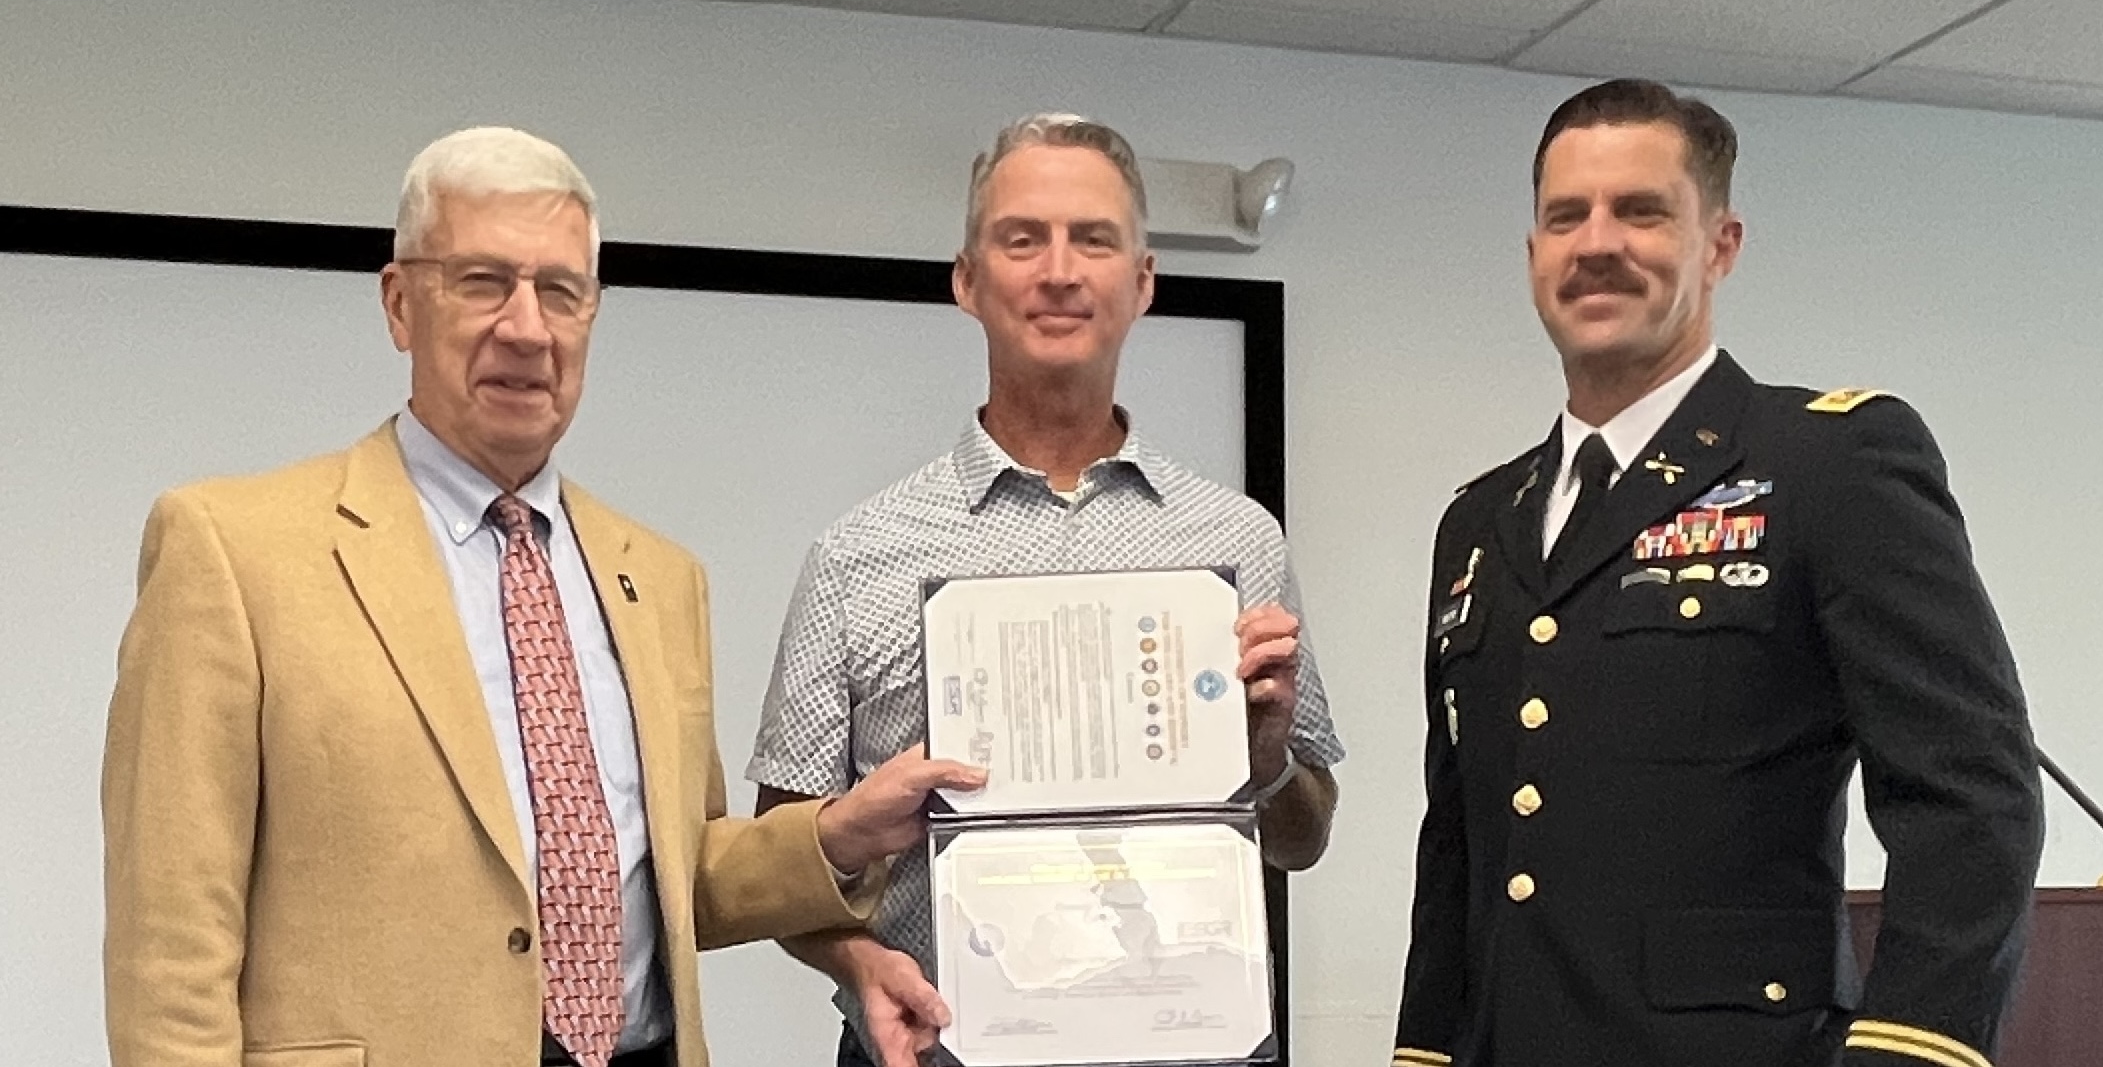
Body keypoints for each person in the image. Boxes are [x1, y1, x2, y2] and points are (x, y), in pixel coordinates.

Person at [100, 125, 984, 1067]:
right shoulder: (234, 550)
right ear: (401, 304)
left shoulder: (660, 576)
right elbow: (171, 943)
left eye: (559, 292)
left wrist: (840, 832)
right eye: (482, 281)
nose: (525, 327)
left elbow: (673, 877)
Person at [1389, 78, 2045, 1067]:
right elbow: (1462, 847)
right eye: (1567, 217)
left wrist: (1913, 1052)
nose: (1597, 243)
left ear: (1720, 245)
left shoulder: (1828, 464)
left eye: (1642, 212)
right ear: (1534, 257)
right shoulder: (1481, 521)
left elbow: (1970, 800)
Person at [744, 112, 1348, 1067]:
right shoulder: (856, 554)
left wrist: (1267, 758)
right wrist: (856, 964)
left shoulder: (1237, 540)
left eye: (1093, 239)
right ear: (967, 280)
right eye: (1022, 239)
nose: (1059, 270)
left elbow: (1302, 836)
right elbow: (777, 864)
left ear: (1142, 281)